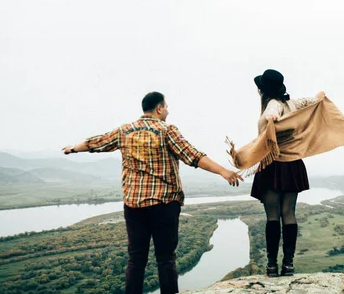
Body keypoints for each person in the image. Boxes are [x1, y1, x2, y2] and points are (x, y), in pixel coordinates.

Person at [61, 91, 243, 294]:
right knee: (165, 259)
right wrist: (223, 171)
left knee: (136, 259)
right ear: (159, 108)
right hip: (163, 204)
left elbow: (96, 142)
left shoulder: (125, 131)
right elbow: (193, 156)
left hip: (134, 205)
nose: (168, 110)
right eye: (166, 107)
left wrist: (72, 148)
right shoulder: (167, 131)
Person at [250, 69, 325, 278]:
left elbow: (271, 112)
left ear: (262, 90)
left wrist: (272, 116)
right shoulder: (293, 104)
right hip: (292, 164)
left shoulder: (272, 104)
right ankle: (289, 265)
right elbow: (311, 101)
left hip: (273, 164)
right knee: (289, 213)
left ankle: (272, 265)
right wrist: (319, 96)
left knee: (272, 216)